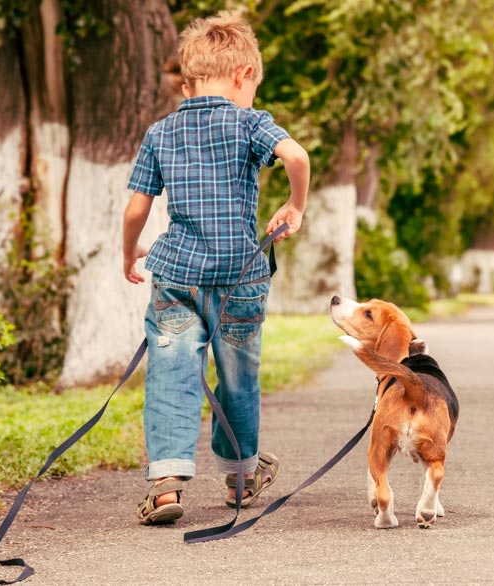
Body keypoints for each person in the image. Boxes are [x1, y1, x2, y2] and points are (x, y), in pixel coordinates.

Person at [121, 11, 310, 525]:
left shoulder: (161, 132)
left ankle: (165, 486)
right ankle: (241, 478)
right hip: (240, 279)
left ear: (189, 80)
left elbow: (137, 208)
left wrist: (128, 252)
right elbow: (296, 156)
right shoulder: (250, 122)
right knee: (238, 379)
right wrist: (295, 206)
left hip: (176, 278)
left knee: (172, 373)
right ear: (244, 73)